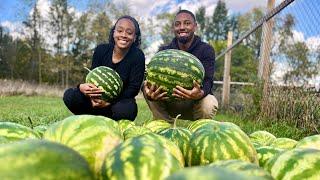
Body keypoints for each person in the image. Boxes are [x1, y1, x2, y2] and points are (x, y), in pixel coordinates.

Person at [63, 15, 145, 121]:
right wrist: (82, 88)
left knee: (128, 109)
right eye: (119, 31)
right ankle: (92, 117)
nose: (124, 35)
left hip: (118, 103)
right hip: (96, 98)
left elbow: (133, 89)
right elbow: (93, 76)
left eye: (129, 33)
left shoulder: (138, 56)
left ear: (135, 37)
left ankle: (104, 119)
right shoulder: (101, 50)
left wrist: (108, 102)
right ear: (114, 32)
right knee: (70, 95)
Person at [143, 10, 218, 123]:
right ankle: (164, 128)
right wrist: (148, 92)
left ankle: (199, 129)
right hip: (170, 101)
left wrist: (199, 93)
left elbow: (208, 81)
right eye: (177, 24)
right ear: (173, 28)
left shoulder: (206, 50)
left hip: (195, 103)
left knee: (209, 103)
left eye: (187, 23)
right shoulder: (163, 51)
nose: (182, 27)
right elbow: (150, 76)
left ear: (195, 26)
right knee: (148, 89)